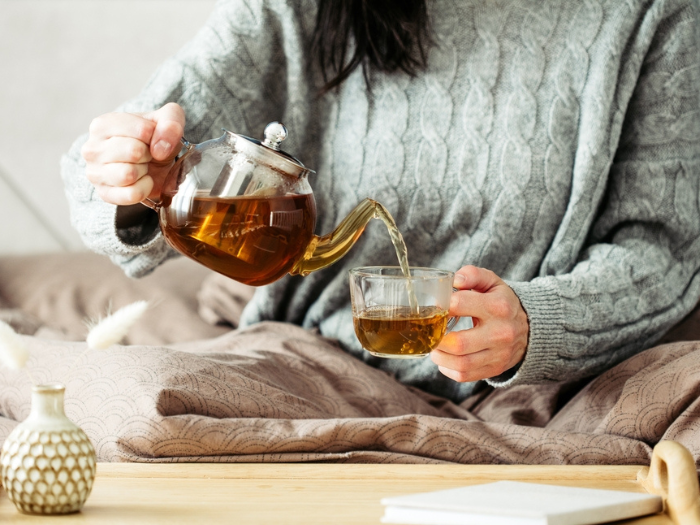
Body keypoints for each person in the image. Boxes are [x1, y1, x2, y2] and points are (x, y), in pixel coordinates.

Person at [62, 0, 700, 403]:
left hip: (538, 390)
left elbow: (663, 250)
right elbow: (109, 171)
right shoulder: (293, 10)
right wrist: (130, 175)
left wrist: (534, 325)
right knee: (124, 396)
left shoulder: (652, 15)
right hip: (308, 362)